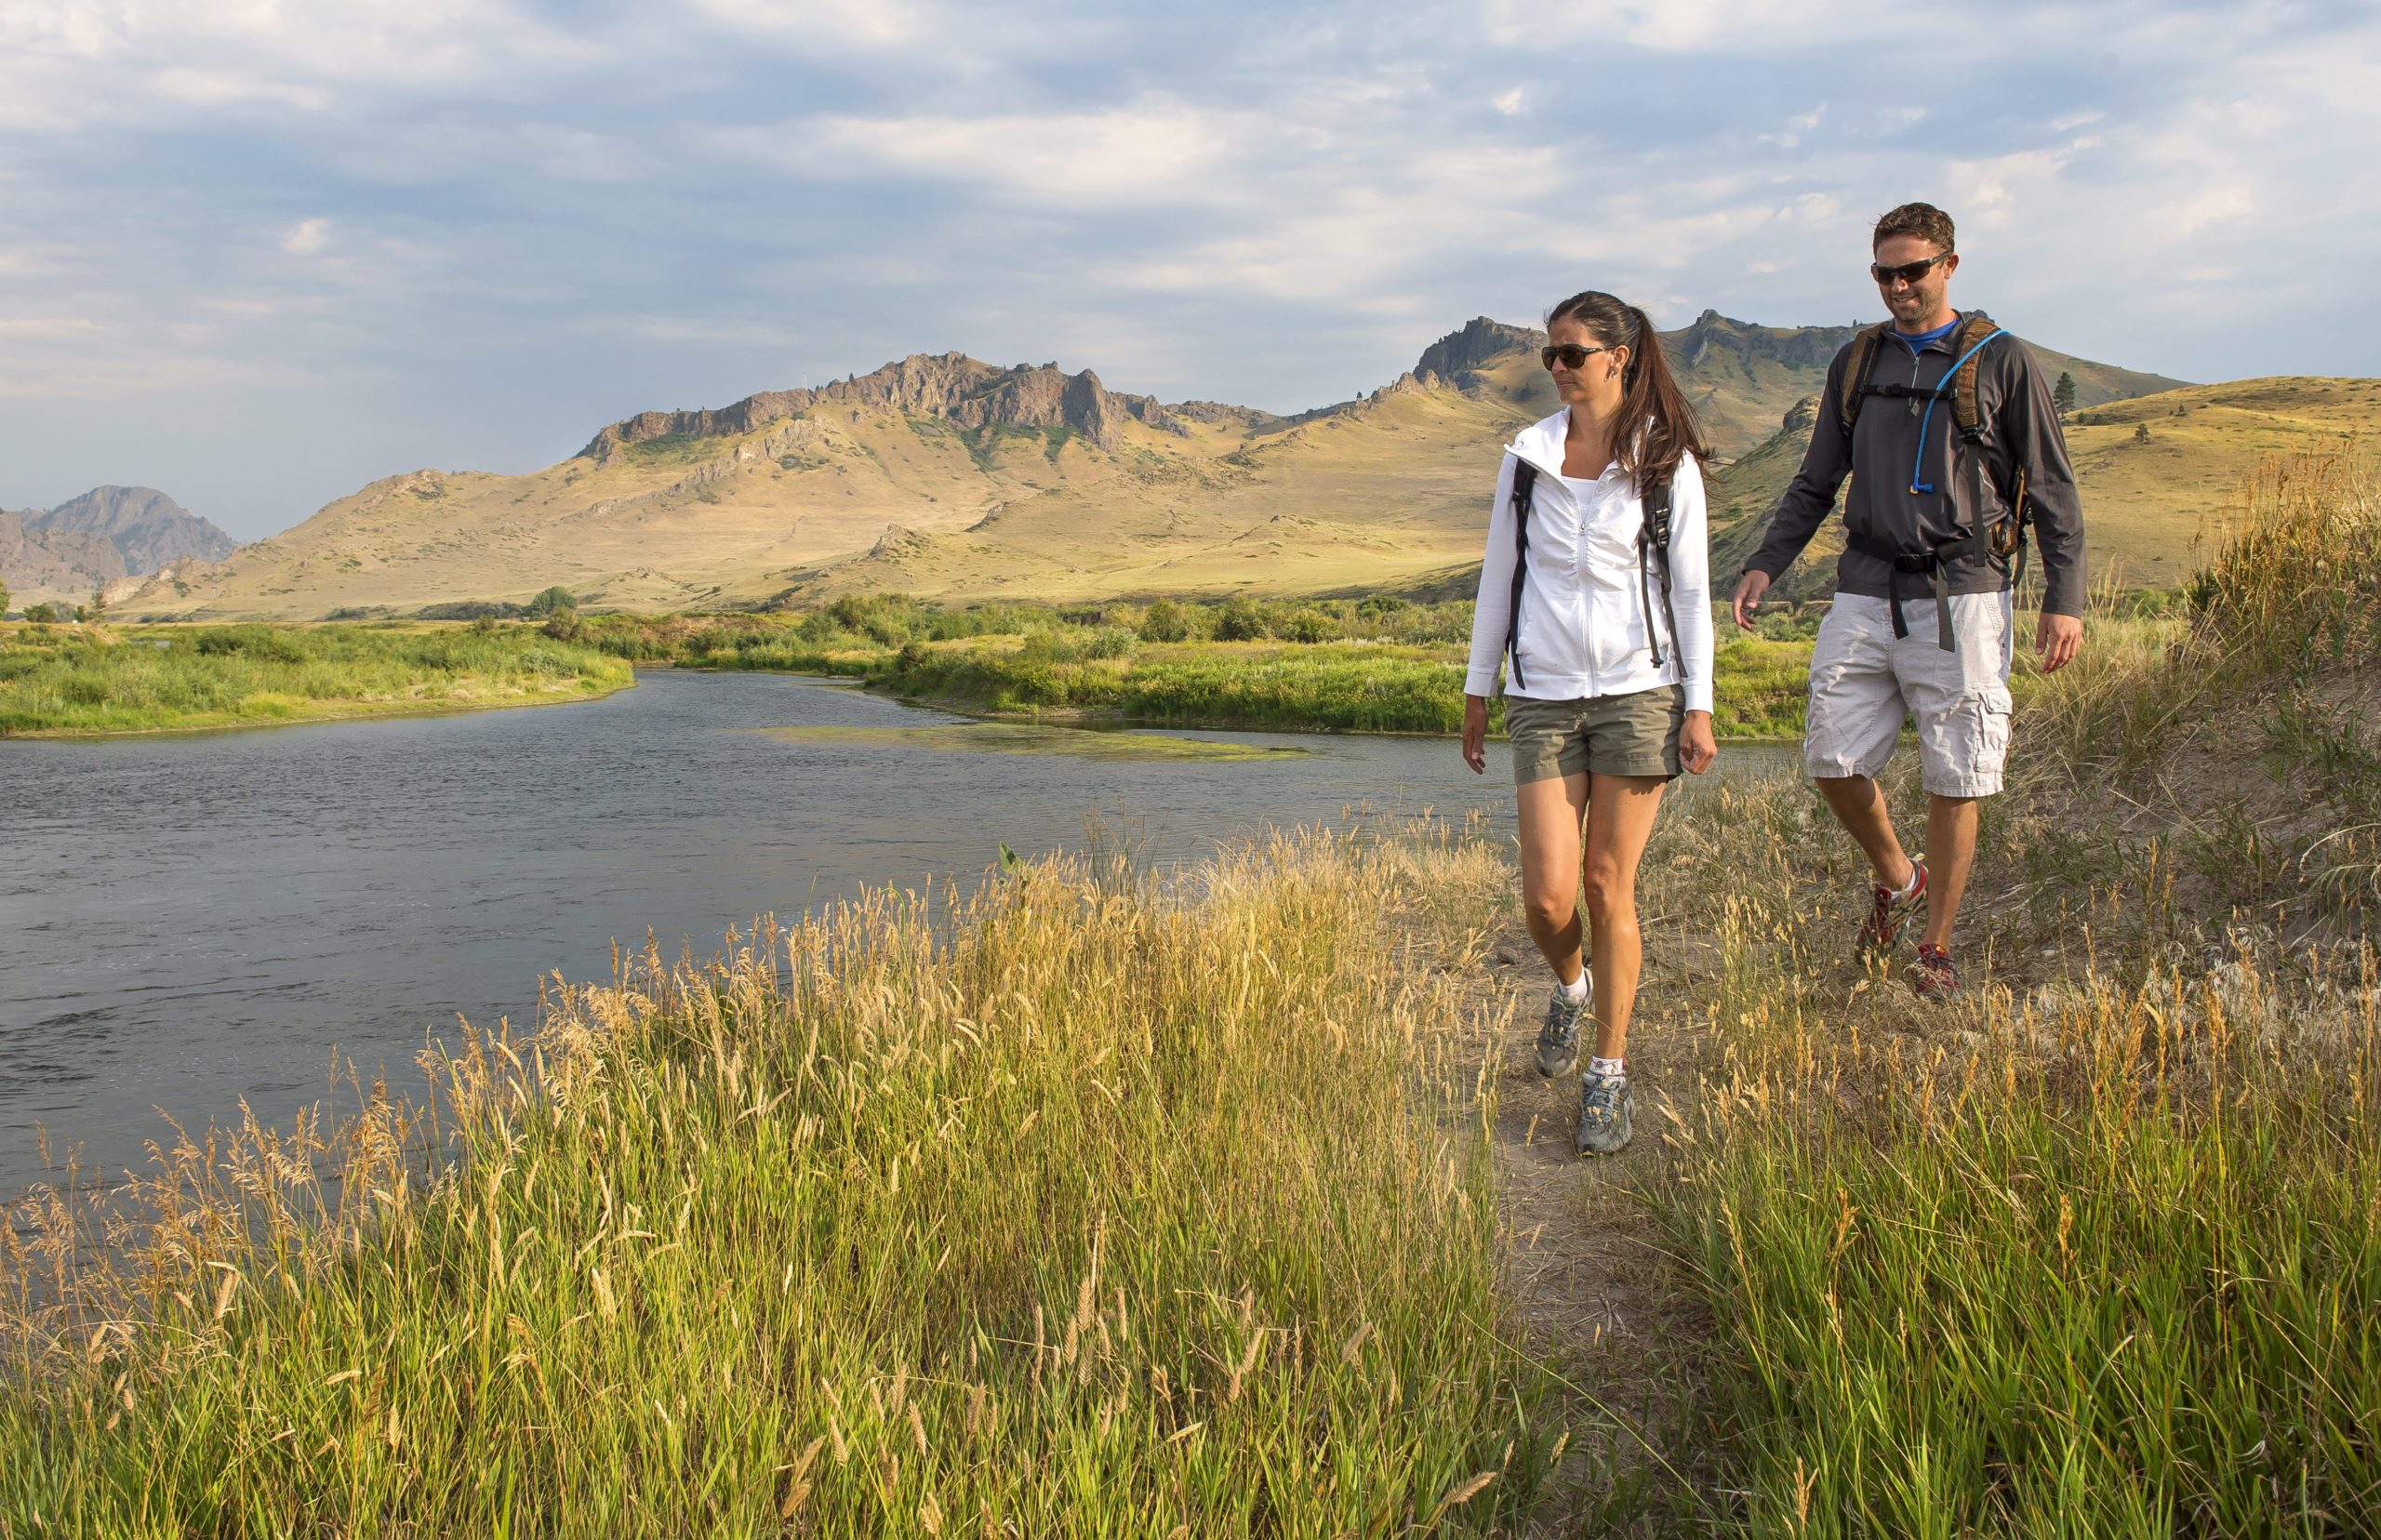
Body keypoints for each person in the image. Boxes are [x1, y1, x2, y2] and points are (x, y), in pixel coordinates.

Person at [1730, 202, 2086, 999]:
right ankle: (1901, 876)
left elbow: (2054, 491)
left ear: (1949, 266)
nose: (1897, 285)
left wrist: (2065, 598)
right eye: (1884, 273)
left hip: (1965, 594)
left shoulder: (2003, 361)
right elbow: (1816, 480)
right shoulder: (1857, 363)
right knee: (1830, 754)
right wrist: (1766, 564)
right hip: (1862, 586)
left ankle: (1934, 949)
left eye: (1912, 270)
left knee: (1956, 773)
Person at [1461, 290, 1718, 1158]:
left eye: (1572, 354)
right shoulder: (1526, 460)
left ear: (1619, 356)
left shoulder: (1665, 462)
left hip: (1640, 694)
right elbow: (1500, 579)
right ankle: (1571, 988)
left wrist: (1699, 701)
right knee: (1546, 897)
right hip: (1541, 696)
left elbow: (1689, 594)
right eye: (1550, 356)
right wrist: (1476, 688)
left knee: (1609, 888)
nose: (1559, 369)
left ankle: (1608, 1075)